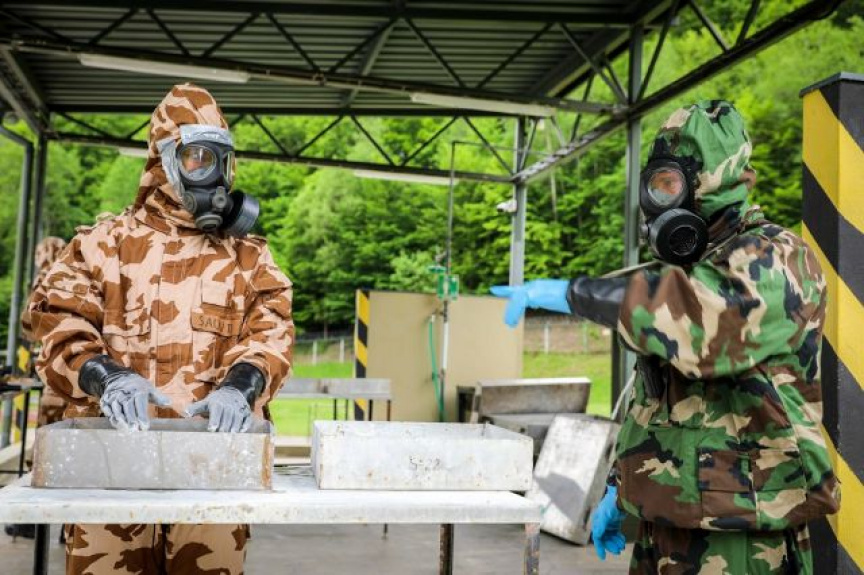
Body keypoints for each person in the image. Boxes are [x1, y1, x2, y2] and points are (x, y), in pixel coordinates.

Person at [492, 101, 840, 574]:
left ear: (715, 181)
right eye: (655, 185)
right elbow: (653, 396)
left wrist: (576, 294)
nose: (660, 199)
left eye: (671, 184)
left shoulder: (777, 258)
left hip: (741, 531)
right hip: (666, 518)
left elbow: (701, 328)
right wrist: (620, 484)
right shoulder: (687, 271)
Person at [28, 83, 294, 575]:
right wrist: (106, 377)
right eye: (196, 158)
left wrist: (241, 387)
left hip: (211, 476)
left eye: (220, 160)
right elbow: (57, 324)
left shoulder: (249, 259)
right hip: (109, 474)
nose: (211, 175)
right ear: (163, 159)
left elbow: (271, 333)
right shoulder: (100, 246)